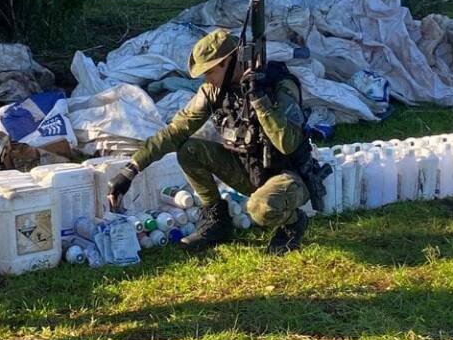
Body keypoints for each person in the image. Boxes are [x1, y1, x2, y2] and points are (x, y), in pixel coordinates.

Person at [107, 28, 319, 254]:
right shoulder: (214, 90)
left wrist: (259, 100)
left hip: (287, 175)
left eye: (209, 72)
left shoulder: (277, 85)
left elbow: (288, 143)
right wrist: (130, 170)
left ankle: (293, 222)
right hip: (248, 169)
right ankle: (217, 222)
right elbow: (176, 130)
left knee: (259, 209)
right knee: (189, 150)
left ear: (228, 62)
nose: (207, 79)